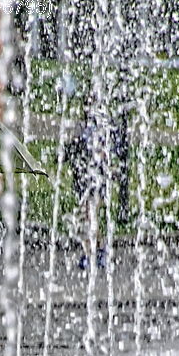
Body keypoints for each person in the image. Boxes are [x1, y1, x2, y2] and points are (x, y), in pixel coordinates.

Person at [66, 108, 108, 270]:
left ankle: (99, 250)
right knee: (84, 217)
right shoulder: (83, 130)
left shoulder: (100, 131)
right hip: (83, 180)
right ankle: (90, 251)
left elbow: (104, 154)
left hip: (94, 181)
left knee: (91, 215)